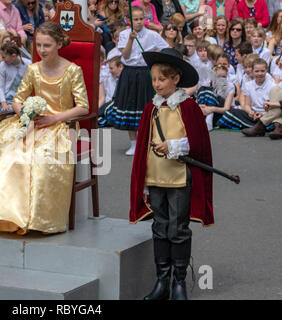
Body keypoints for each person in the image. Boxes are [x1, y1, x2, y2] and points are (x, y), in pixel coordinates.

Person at [0, 21, 89, 235]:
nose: (41, 50)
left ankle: (30, 217)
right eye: (38, 45)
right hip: (31, 122)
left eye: (47, 45)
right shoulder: (33, 69)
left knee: (36, 157)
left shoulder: (72, 71)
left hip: (58, 126)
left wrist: (54, 118)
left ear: (59, 44)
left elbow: (83, 107)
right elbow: (17, 100)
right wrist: (25, 113)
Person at [130, 47, 213, 300]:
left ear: (175, 79)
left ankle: (179, 283)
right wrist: (142, 179)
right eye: (154, 79)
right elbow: (144, 144)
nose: (156, 84)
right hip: (155, 177)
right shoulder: (151, 109)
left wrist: (175, 145)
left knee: (178, 229)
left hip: (178, 177)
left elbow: (198, 142)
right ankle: (161, 282)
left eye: (162, 79)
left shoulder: (187, 107)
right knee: (160, 227)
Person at [107, 6, 168, 156]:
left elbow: (165, 49)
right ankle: (133, 143)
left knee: (146, 106)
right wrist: (130, 39)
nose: (139, 22)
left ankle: (147, 141)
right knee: (130, 106)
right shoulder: (124, 34)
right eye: (136, 19)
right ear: (129, 21)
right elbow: (126, 56)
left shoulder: (152, 35)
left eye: (141, 19)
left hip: (145, 72)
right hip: (129, 73)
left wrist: (156, 60)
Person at [219, 58, 275, 129]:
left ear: (266, 70)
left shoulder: (273, 86)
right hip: (253, 114)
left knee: (275, 119)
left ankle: (255, 126)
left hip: (267, 115)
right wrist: (250, 112)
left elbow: (273, 109)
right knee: (229, 113)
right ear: (253, 71)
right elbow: (247, 105)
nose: (260, 73)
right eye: (257, 71)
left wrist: (263, 114)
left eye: (262, 71)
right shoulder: (248, 85)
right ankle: (257, 127)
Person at [0, 41, 31, 112]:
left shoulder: (28, 64)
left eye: (4, 57)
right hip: (8, 99)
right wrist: (3, 103)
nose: (2, 60)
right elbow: (0, 86)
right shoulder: (3, 65)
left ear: (13, 56)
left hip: (24, 98)